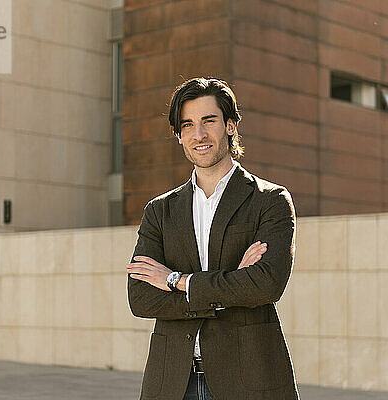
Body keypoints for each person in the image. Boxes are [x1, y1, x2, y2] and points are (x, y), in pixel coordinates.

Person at [126, 77, 299, 400]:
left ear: (231, 125)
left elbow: (265, 285)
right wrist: (233, 283)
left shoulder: (270, 200)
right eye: (187, 125)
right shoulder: (159, 211)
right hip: (173, 383)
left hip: (248, 378)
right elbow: (141, 298)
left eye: (209, 121)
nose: (199, 134)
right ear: (179, 136)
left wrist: (176, 280)